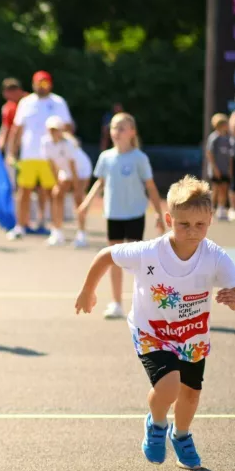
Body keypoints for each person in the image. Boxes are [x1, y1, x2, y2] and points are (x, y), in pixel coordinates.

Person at [75, 176, 235, 470]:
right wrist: (88, 290)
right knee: (169, 387)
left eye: (200, 225)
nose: (192, 232)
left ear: (210, 219)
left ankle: (182, 435)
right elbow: (105, 255)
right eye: (183, 224)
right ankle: (157, 423)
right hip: (153, 333)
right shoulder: (149, 252)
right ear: (168, 218)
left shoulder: (214, 256)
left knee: (191, 393)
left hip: (192, 335)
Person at [79, 112, 165, 320]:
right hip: (114, 214)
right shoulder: (106, 157)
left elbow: (151, 187)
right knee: (114, 260)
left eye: (121, 128)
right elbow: (99, 182)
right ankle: (116, 303)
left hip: (134, 214)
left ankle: (142, 304)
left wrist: (159, 215)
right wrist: (86, 203)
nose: (116, 132)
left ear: (132, 132)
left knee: (137, 261)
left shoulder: (139, 158)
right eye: (114, 128)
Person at [6, 71, 73, 240]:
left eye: (44, 83)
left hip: (51, 156)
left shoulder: (58, 102)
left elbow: (68, 127)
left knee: (50, 191)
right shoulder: (26, 102)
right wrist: (12, 152)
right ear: (33, 84)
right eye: (38, 83)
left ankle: (50, 225)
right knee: (24, 190)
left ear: (50, 84)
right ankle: (20, 225)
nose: (41, 87)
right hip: (29, 154)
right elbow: (17, 129)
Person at [41, 115, 88, 247]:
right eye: (51, 129)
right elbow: (51, 164)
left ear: (61, 130)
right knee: (57, 194)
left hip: (81, 170)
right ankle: (57, 232)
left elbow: (73, 165)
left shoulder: (68, 144)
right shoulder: (45, 143)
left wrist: (76, 185)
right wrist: (57, 182)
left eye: (55, 129)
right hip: (66, 171)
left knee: (78, 199)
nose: (53, 132)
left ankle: (82, 234)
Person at [204, 113, 232, 221]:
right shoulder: (214, 138)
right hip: (216, 169)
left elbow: (229, 155)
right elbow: (209, 153)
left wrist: (229, 168)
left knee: (224, 189)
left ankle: (221, 209)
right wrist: (215, 168)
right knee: (215, 189)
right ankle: (210, 209)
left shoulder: (227, 138)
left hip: (225, 169)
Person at [0, 78, 27, 151]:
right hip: (14, 143)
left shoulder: (30, 102)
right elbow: (5, 127)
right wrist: (1, 141)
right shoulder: (8, 107)